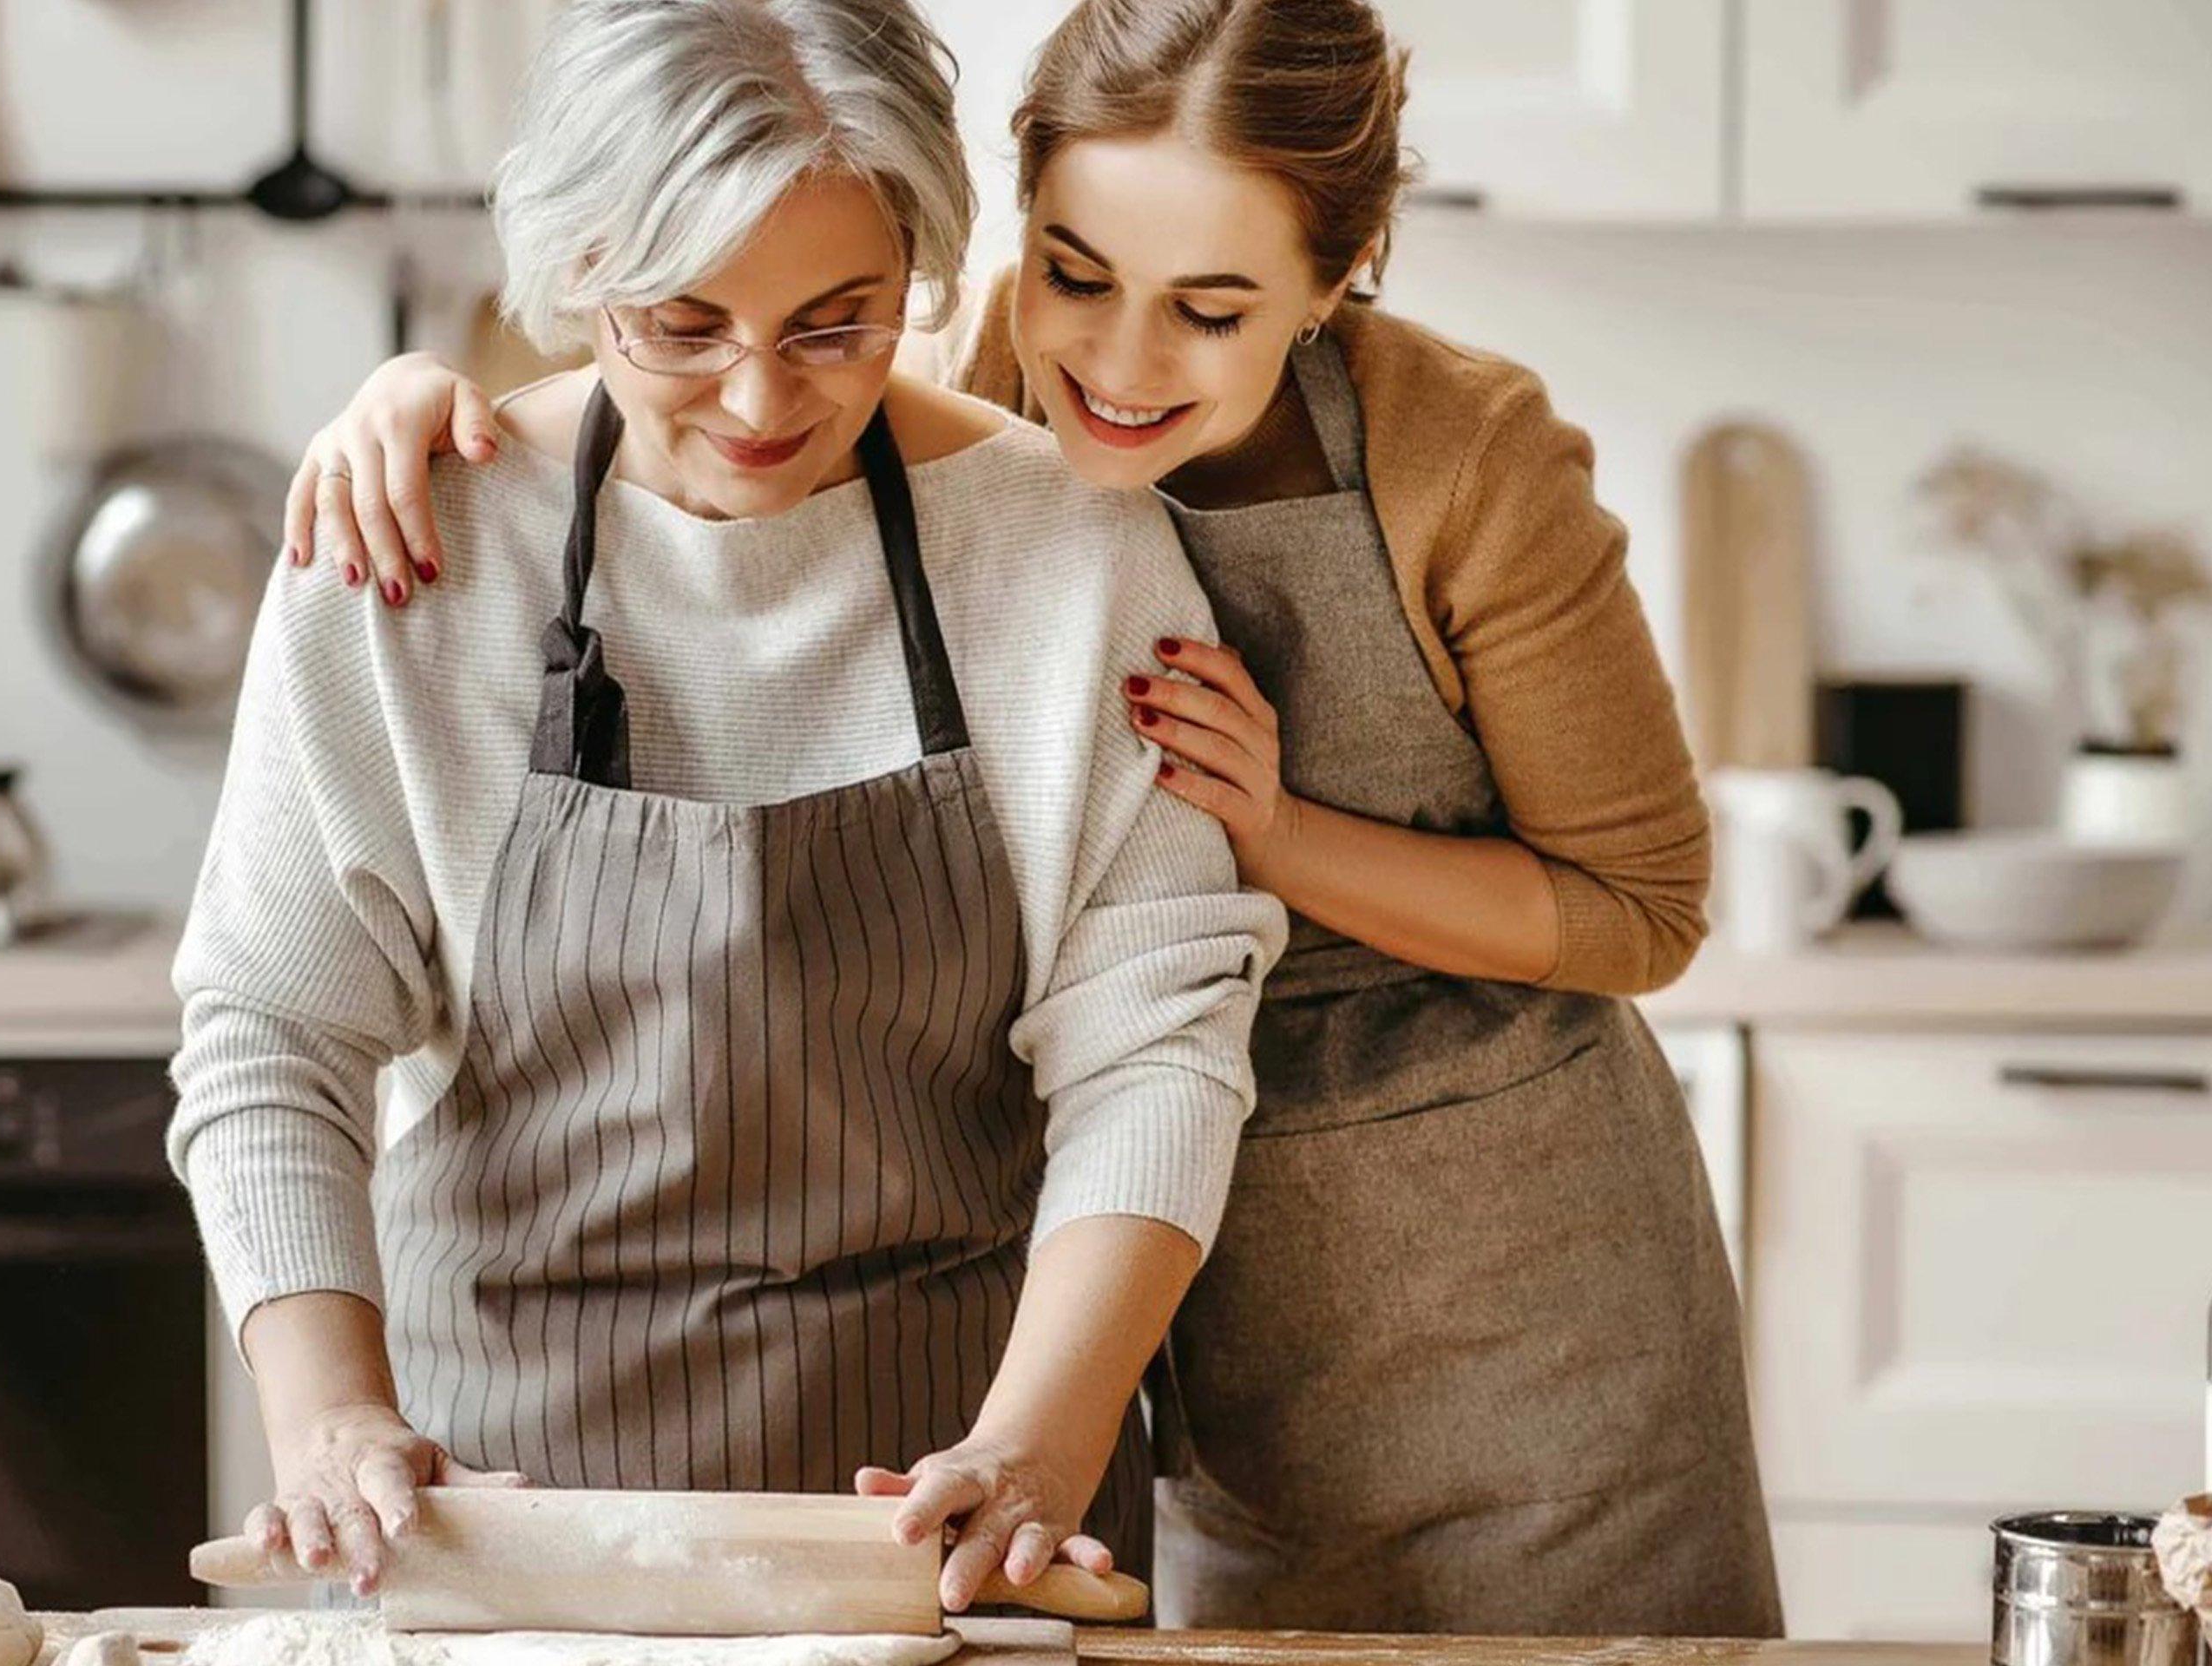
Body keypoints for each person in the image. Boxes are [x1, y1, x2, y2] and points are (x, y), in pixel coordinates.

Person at [272, 0, 1780, 1637]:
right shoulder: (976, 400)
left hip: (1504, 1289)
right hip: (1185, 1305)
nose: (1120, 368)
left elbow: (1642, 910)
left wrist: (1278, 835)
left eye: (1211, 310)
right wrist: (422, 397)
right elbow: (733, 347)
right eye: (1077, 276)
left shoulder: (1450, 462)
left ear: (1339, 282)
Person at [168, 0, 1282, 1617]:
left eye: (839, 325)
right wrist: (328, 1412)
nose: (762, 401)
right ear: (577, 282)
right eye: (681, 327)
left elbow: (1160, 1037)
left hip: (957, 1526)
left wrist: (1040, 1444)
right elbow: (274, 1027)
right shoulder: (412, 550)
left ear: (920, 272)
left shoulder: (1066, 552)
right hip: (504, 1522)